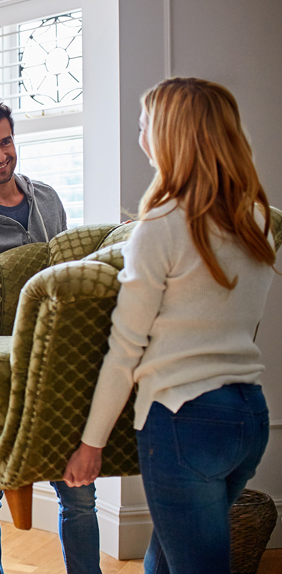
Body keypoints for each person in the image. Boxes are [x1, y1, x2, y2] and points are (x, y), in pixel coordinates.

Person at [63, 78, 276, 573]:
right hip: (249, 416)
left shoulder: (161, 225)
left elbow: (126, 348)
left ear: (168, 136)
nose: (140, 134)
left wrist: (91, 444)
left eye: (144, 124)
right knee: (172, 554)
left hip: (185, 418)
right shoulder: (257, 220)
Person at [0, 95, 100, 574]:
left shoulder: (47, 199)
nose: (0, 155)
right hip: (0, 373)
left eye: (5, 141)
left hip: (57, 363)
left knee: (79, 493)